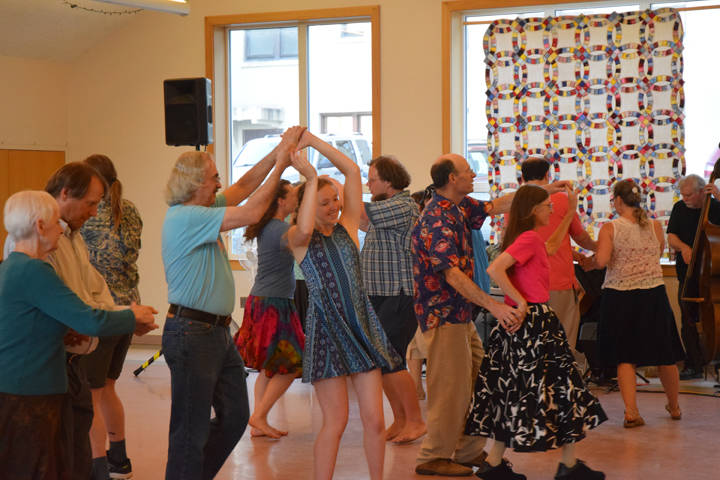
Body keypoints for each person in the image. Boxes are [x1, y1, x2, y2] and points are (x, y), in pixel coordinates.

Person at [161, 126, 305, 480]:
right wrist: (282, 166)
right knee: (190, 428)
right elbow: (253, 211)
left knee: (236, 416)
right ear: (196, 184)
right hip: (191, 333)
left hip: (215, 333)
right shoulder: (187, 216)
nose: (220, 183)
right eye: (213, 178)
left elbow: (242, 189)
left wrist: (277, 154)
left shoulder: (204, 207)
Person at [411, 154, 566, 477]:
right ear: (452, 178)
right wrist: (494, 305)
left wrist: (546, 191)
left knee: (482, 380)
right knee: (450, 389)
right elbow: (451, 275)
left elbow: (496, 206)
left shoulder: (459, 205)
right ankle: (434, 455)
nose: (473, 175)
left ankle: (467, 450)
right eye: (468, 171)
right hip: (443, 315)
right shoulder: (435, 219)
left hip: (460, 314)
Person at [0, 190, 157, 480]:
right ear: (39, 226)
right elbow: (88, 319)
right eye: (56, 222)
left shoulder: (12, 268)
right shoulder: (34, 271)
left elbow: (61, 320)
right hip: (30, 395)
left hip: (25, 391)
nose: (62, 230)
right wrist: (132, 316)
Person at [466, 184, 606, 480]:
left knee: (516, 392)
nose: (550, 209)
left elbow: (552, 247)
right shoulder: (528, 238)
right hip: (533, 326)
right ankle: (567, 465)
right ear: (531, 210)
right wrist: (520, 302)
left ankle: (495, 462)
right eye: (546, 205)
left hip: (530, 326)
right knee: (560, 391)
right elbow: (495, 270)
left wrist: (569, 213)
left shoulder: (530, 238)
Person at [287, 131, 402, 480]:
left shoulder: (348, 227)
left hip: (361, 327)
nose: (335, 206)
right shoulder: (296, 237)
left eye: (335, 199)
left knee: (375, 419)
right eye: (325, 202)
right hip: (327, 333)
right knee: (334, 423)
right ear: (307, 204)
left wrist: (312, 141)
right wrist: (309, 178)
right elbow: (306, 228)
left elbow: (352, 171)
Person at [591, 179, 685, 428]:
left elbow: (601, 261)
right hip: (653, 294)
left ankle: (632, 412)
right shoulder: (655, 226)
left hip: (621, 296)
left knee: (625, 356)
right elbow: (658, 251)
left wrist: (585, 258)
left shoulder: (611, 228)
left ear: (618, 201)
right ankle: (674, 407)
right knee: (666, 355)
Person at [79, 154, 143, 480]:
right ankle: (120, 461)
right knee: (108, 388)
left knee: (92, 395)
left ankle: (97, 468)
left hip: (102, 313)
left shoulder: (86, 216)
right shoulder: (129, 209)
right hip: (130, 311)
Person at [360, 155, 426, 444]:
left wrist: (340, 186)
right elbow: (364, 224)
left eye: (372, 179)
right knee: (383, 360)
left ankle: (415, 421)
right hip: (380, 293)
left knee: (391, 358)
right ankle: (400, 419)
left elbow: (361, 215)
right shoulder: (384, 207)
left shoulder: (402, 205)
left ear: (388, 181)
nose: (368, 183)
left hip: (399, 294)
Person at [234, 179, 305, 439]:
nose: (296, 200)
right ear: (280, 201)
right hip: (273, 304)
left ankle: (258, 422)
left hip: (265, 302)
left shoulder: (272, 227)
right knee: (293, 363)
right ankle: (260, 416)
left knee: (269, 367)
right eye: (294, 196)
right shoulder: (278, 230)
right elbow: (304, 238)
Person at [519, 158, 597, 367]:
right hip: (557, 280)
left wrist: (570, 251)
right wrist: (600, 248)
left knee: (534, 341)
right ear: (548, 176)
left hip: (525, 285)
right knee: (563, 338)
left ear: (522, 177)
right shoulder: (560, 200)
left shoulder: (515, 202)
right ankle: (561, 387)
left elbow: (531, 242)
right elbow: (580, 236)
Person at [666, 174, 720, 380]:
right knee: (687, 320)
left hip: (712, 275)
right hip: (687, 276)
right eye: (683, 195)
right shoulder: (679, 208)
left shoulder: (714, 208)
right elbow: (671, 236)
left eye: (689, 195)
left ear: (700, 192)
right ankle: (693, 364)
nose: (685, 198)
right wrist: (683, 247)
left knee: (714, 320)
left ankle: (716, 361)